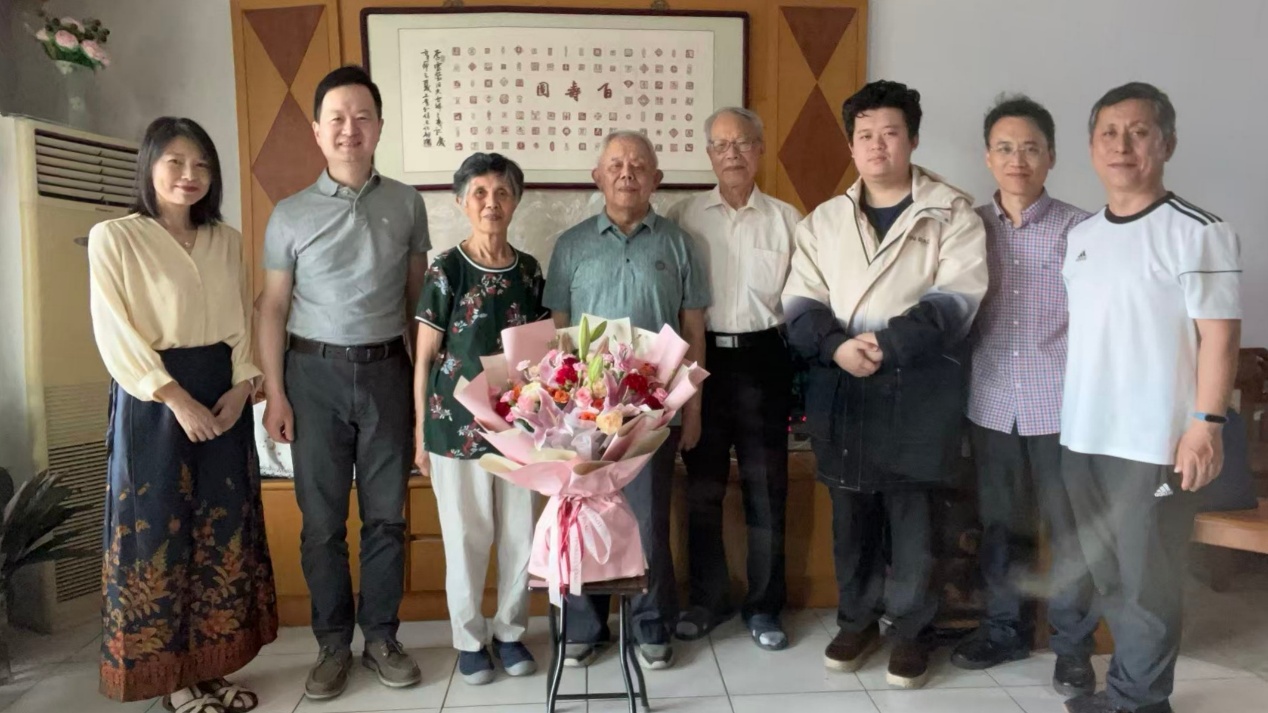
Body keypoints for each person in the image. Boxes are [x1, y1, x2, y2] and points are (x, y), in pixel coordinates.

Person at [782, 80, 988, 689]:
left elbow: (957, 299)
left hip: (918, 388)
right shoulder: (823, 221)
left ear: (913, 139)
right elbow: (799, 301)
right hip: (844, 385)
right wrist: (837, 346)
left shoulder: (951, 213)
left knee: (914, 520)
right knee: (852, 517)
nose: (878, 146)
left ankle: (912, 631)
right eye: (865, 135)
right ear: (851, 145)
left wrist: (886, 344)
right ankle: (856, 621)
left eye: (890, 133)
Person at [1060, 83, 1242, 713]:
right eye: (1109, 133)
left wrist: (1206, 425)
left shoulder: (1199, 231)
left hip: (1153, 441)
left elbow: (1220, 337)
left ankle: (1140, 703)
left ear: (1167, 143)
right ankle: (1127, 693)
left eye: (1139, 132)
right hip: (1083, 435)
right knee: (1109, 573)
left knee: (1148, 581)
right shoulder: (1082, 235)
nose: (1122, 145)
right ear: (1091, 146)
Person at [90, 117, 277, 713]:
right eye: (175, 161)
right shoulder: (115, 237)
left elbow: (242, 321)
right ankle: (171, 682)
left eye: (201, 165)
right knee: (157, 533)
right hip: (154, 400)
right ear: (149, 165)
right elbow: (115, 332)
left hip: (224, 395)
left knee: (222, 529)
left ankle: (212, 669)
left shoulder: (226, 238)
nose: (189, 175)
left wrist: (244, 384)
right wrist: (175, 398)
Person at [255, 65, 430, 700]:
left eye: (362, 117)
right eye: (337, 118)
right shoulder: (290, 214)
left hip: (387, 374)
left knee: (386, 517)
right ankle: (332, 643)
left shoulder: (407, 204)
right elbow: (272, 307)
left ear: (379, 126)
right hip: (313, 377)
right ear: (317, 130)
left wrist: (424, 399)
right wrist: (276, 392)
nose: (349, 129)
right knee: (322, 523)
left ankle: (381, 637)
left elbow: (417, 304)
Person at [544, 130, 710, 670]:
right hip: (584, 414)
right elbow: (558, 334)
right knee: (584, 515)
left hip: (653, 413)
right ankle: (583, 626)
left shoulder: (679, 243)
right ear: (597, 176)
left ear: (656, 179)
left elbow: (694, 331)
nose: (626, 173)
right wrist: (557, 411)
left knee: (647, 520)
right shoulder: (571, 245)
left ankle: (651, 624)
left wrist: (692, 410)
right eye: (615, 164)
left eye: (638, 165)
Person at [950, 95, 1098, 699]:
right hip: (990, 402)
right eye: (1006, 148)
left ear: (1051, 157)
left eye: (1031, 148)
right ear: (988, 157)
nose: (1018, 160)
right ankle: (1004, 630)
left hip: (1062, 408)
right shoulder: (967, 229)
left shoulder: (1082, 230)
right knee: (1000, 527)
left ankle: (1073, 649)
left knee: (1069, 532)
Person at [666, 107, 801, 651]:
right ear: (708, 154)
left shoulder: (788, 220)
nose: (732, 154)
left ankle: (765, 607)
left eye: (743, 143)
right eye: (721, 145)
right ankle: (707, 599)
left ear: (760, 149)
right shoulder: (683, 216)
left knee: (767, 489)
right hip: (701, 362)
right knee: (702, 489)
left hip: (765, 360)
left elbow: (803, 302)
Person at [413, 153, 546, 685]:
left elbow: (543, 351)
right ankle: (470, 640)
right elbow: (425, 358)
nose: (492, 203)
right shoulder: (446, 269)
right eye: (480, 193)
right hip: (454, 426)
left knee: (519, 535)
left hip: (519, 429)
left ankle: (511, 632)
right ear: (462, 202)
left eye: (502, 193)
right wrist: (420, 433)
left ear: (516, 201)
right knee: (466, 536)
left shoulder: (530, 270)